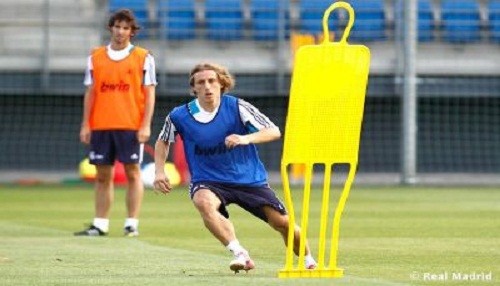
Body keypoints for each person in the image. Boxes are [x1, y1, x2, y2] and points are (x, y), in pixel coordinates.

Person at [153, 62, 317, 273]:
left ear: (221, 83)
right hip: (208, 180)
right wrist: (159, 171)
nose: (207, 86)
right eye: (201, 82)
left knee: (282, 223)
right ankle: (239, 253)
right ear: (193, 88)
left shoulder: (238, 107)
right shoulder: (179, 115)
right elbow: (163, 140)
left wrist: (245, 138)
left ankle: (308, 260)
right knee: (203, 202)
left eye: (212, 81)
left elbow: (273, 131)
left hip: (247, 179)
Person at [75, 9, 157, 237]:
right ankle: (100, 224)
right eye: (117, 26)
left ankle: (132, 223)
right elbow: (90, 92)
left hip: (130, 124)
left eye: (125, 28)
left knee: (133, 173)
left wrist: (145, 125)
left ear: (132, 32)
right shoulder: (95, 56)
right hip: (101, 124)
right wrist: (85, 124)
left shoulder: (143, 57)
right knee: (102, 175)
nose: (120, 31)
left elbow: (149, 93)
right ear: (110, 28)